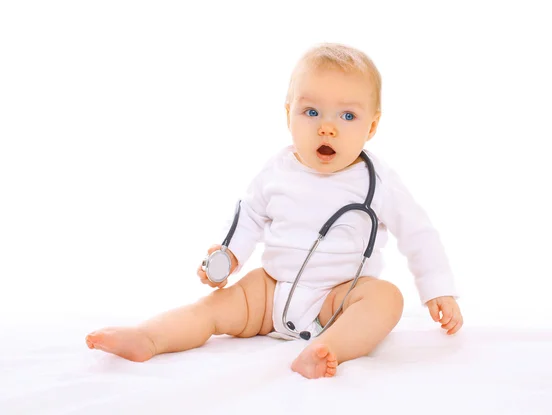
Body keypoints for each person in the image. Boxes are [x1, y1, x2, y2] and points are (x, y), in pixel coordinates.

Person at [85, 42, 463, 379]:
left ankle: (327, 349)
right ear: (288, 115)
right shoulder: (277, 170)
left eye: (347, 116)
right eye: (311, 111)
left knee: (385, 299)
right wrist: (228, 255)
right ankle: (150, 337)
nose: (327, 128)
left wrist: (437, 289)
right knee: (211, 309)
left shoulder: (377, 181)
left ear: (372, 126)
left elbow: (418, 232)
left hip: (339, 298)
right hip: (270, 292)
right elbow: (249, 215)